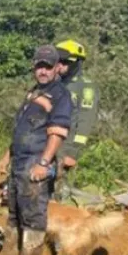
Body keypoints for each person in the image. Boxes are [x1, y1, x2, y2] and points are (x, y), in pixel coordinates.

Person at [0, 45, 73, 255]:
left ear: (57, 68)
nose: (43, 71)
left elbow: (57, 133)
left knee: (33, 213)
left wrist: (43, 163)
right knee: (14, 210)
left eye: (48, 67)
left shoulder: (60, 95)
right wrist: (6, 156)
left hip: (36, 160)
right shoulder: (34, 92)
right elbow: (22, 128)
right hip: (19, 159)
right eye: (39, 66)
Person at [53, 39, 98, 201]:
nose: (60, 65)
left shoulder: (85, 87)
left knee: (59, 188)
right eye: (57, 61)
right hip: (46, 143)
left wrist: (73, 151)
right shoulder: (54, 84)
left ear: (76, 63)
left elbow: (86, 121)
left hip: (65, 146)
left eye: (64, 62)